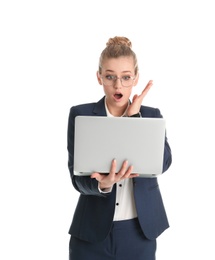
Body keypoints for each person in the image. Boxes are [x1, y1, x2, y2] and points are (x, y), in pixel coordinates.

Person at [67, 36, 172, 260]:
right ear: (99, 77)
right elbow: (77, 179)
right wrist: (102, 185)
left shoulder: (151, 115)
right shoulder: (81, 115)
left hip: (139, 231)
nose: (118, 85)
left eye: (126, 78)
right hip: (91, 233)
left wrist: (135, 117)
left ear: (135, 79)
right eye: (110, 77)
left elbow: (162, 163)